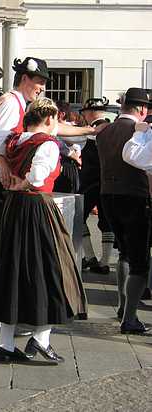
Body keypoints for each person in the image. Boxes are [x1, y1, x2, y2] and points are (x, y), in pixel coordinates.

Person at [0, 57, 95, 337]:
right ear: (24, 79)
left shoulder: (27, 109)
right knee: (20, 256)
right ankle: (5, 319)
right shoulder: (12, 102)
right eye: (39, 82)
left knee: (16, 255)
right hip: (15, 189)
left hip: (17, 189)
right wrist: (7, 168)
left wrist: (89, 130)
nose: (41, 87)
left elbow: (44, 130)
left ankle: (8, 320)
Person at [96, 87, 151, 334]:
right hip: (135, 197)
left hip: (108, 195)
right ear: (141, 109)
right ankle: (129, 317)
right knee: (140, 261)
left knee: (124, 253)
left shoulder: (105, 131)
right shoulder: (142, 131)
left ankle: (122, 306)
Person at [78, 98, 113, 275]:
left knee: (79, 216)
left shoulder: (93, 130)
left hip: (90, 183)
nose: (83, 116)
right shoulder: (112, 128)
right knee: (106, 221)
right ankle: (105, 261)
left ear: (90, 112)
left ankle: (91, 256)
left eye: (84, 112)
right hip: (107, 183)